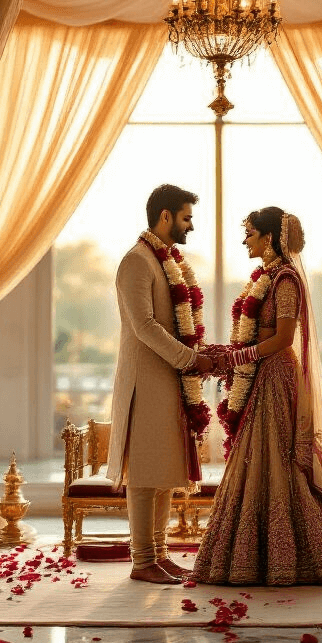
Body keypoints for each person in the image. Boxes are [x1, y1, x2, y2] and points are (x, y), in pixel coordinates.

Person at [191, 207, 322, 586]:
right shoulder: (265, 278)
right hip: (261, 373)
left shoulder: (285, 280)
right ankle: (254, 555)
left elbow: (284, 338)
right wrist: (231, 352)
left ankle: (293, 555)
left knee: (279, 455)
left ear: (270, 238)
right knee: (256, 453)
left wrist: (239, 355)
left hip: (276, 376)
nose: (245, 240)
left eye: (251, 233)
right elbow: (257, 335)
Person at [108, 185, 214, 585]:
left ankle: (160, 552)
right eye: (186, 217)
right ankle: (142, 560)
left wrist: (195, 354)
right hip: (145, 381)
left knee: (165, 469)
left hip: (168, 380)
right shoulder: (136, 262)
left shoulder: (167, 260)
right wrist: (190, 358)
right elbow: (145, 326)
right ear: (165, 216)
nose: (191, 225)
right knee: (145, 474)